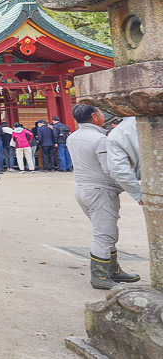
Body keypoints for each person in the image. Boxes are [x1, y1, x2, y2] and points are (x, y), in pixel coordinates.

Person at [68, 105, 140, 289]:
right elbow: (111, 170)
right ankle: (99, 277)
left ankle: (113, 270)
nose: (102, 116)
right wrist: (134, 188)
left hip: (82, 189)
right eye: (100, 113)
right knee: (104, 235)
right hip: (100, 191)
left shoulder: (73, 137)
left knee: (107, 231)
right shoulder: (100, 139)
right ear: (94, 116)